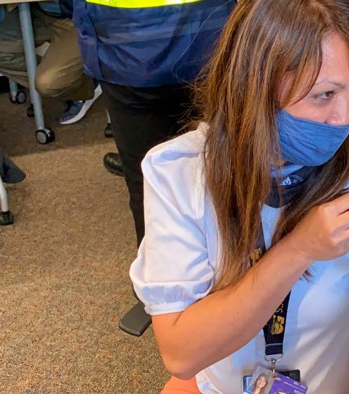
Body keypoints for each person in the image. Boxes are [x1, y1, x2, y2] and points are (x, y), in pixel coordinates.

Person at [128, 1, 349, 393]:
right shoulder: (178, 172)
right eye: (324, 95)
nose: (345, 117)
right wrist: (298, 250)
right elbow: (182, 354)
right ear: (252, 87)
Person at [72, 0, 232, 244]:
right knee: (220, 168)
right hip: (209, 41)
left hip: (123, 50)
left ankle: (159, 275)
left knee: (147, 181)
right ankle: (232, 269)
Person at [0, 0, 101, 125]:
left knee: (47, 84)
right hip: (38, 11)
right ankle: (70, 80)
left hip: (79, 18)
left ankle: (86, 86)